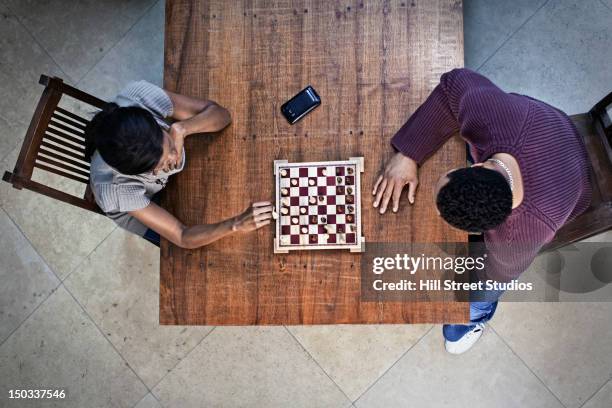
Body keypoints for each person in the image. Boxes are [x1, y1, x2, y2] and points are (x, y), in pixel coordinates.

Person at [373, 68, 591, 354]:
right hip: (551, 126)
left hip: (576, 185)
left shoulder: (521, 233)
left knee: (483, 289)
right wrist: (409, 153)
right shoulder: (495, 117)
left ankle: (474, 319)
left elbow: (497, 274)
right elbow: (454, 82)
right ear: (477, 166)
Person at [85, 80, 273, 248]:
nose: (175, 156)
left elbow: (223, 116)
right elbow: (181, 235)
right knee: (175, 256)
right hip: (138, 207)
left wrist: (182, 128)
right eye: (163, 163)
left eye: (168, 143)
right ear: (139, 173)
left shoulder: (138, 96)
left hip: (158, 181)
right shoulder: (119, 190)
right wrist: (236, 224)